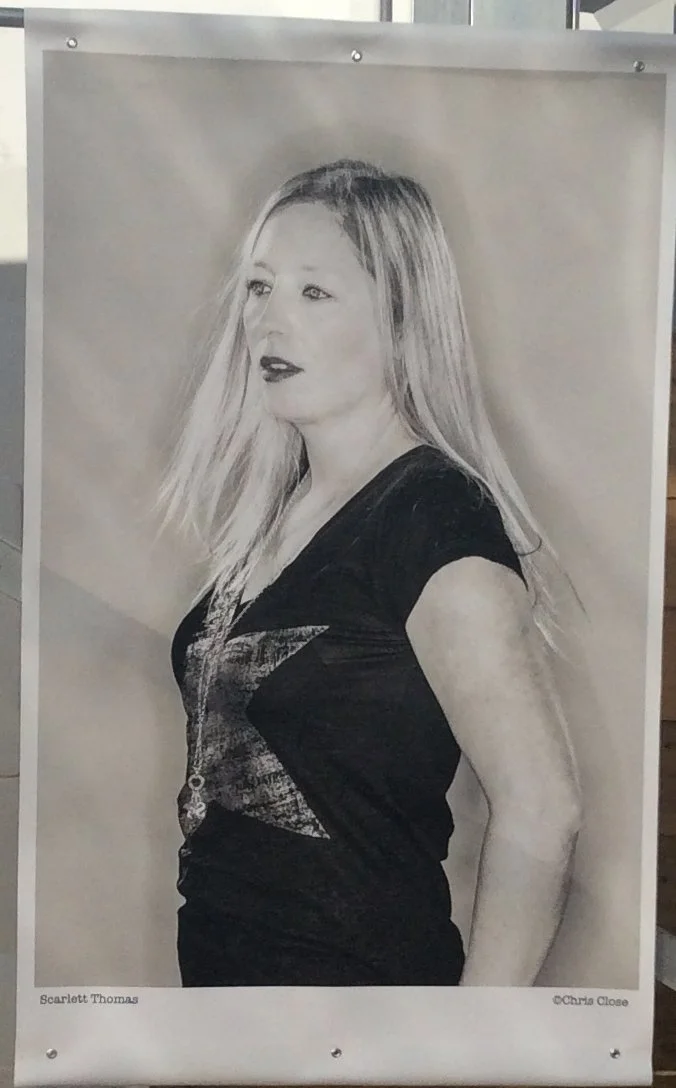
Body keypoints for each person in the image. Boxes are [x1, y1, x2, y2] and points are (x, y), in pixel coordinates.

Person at [164, 158, 582, 988]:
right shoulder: (281, 508)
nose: (270, 323)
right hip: (224, 1006)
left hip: (363, 1017)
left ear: (401, 314)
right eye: (259, 287)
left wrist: (471, 1050)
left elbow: (545, 807)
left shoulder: (431, 517)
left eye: (314, 293)